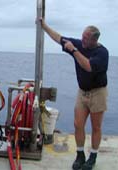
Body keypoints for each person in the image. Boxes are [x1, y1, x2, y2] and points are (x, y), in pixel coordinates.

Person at [38, 18, 109, 170]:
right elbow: (58, 38)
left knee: (96, 127)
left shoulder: (102, 53)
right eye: (82, 36)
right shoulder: (79, 44)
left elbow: (88, 66)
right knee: (78, 125)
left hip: (98, 93)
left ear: (93, 40)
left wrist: (74, 50)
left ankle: (93, 156)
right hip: (82, 92)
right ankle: (80, 154)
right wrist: (44, 26)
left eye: (85, 38)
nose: (82, 39)